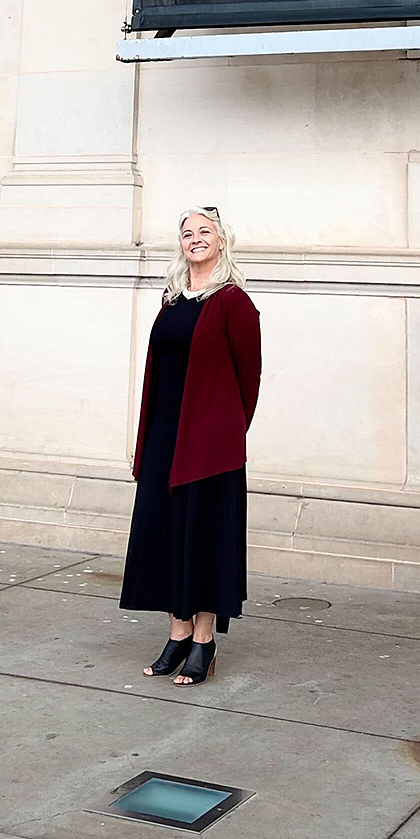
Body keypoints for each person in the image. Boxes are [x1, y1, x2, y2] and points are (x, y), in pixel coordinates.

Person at [119, 206, 261, 687]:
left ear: (222, 242)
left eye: (205, 232)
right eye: (187, 233)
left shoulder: (233, 302)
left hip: (209, 445)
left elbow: (249, 380)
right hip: (165, 435)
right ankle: (177, 634)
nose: (195, 239)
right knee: (166, 533)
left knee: (202, 537)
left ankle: (203, 641)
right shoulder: (173, 299)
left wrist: (224, 433)